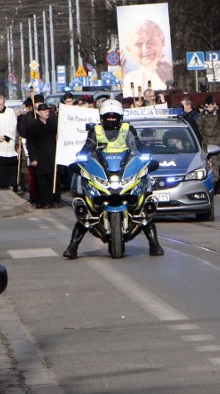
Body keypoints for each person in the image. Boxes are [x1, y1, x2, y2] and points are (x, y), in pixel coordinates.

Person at [64, 99, 163, 259]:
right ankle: (72, 247)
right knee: (85, 211)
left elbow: (136, 145)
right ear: (102, 117)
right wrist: (80, 159)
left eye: (114, 116)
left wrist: (147, 156)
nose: (111, 119)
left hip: (124, 170)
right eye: (108, 116)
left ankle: (154, 244)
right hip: (103, 171)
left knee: (143, 207)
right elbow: (88, 147)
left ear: (120, 117)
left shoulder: (127, 129)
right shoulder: (95, 130)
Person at [23, 103, 59, 208]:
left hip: (52, 155)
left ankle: (54, 200)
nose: (47, 113)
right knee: (42, 180)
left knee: (53, 178)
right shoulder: (33, 125)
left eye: (48, 111)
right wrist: (33, 158)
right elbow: (30, 143)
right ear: (39, 113)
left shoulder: (52, 124)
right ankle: (45, 201)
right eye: (44, 111)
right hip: (40, 157)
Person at [121, 20, 173, 94]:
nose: (145, 49)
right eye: (138, 44)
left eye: (151, 41)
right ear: (129, 50)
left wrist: (170, 82)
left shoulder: (178, 70)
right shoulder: (129, 79)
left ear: (163, 41)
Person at [197, 95, 220, 193]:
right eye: (207, 106)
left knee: (215, 166)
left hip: (217, 145)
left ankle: (215, 186)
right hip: (206, 145)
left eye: (211, 106)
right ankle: (210, 186)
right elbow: (199, 130)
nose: (209, 108)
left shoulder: (219, 115)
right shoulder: (203, 117)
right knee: (207, 167)